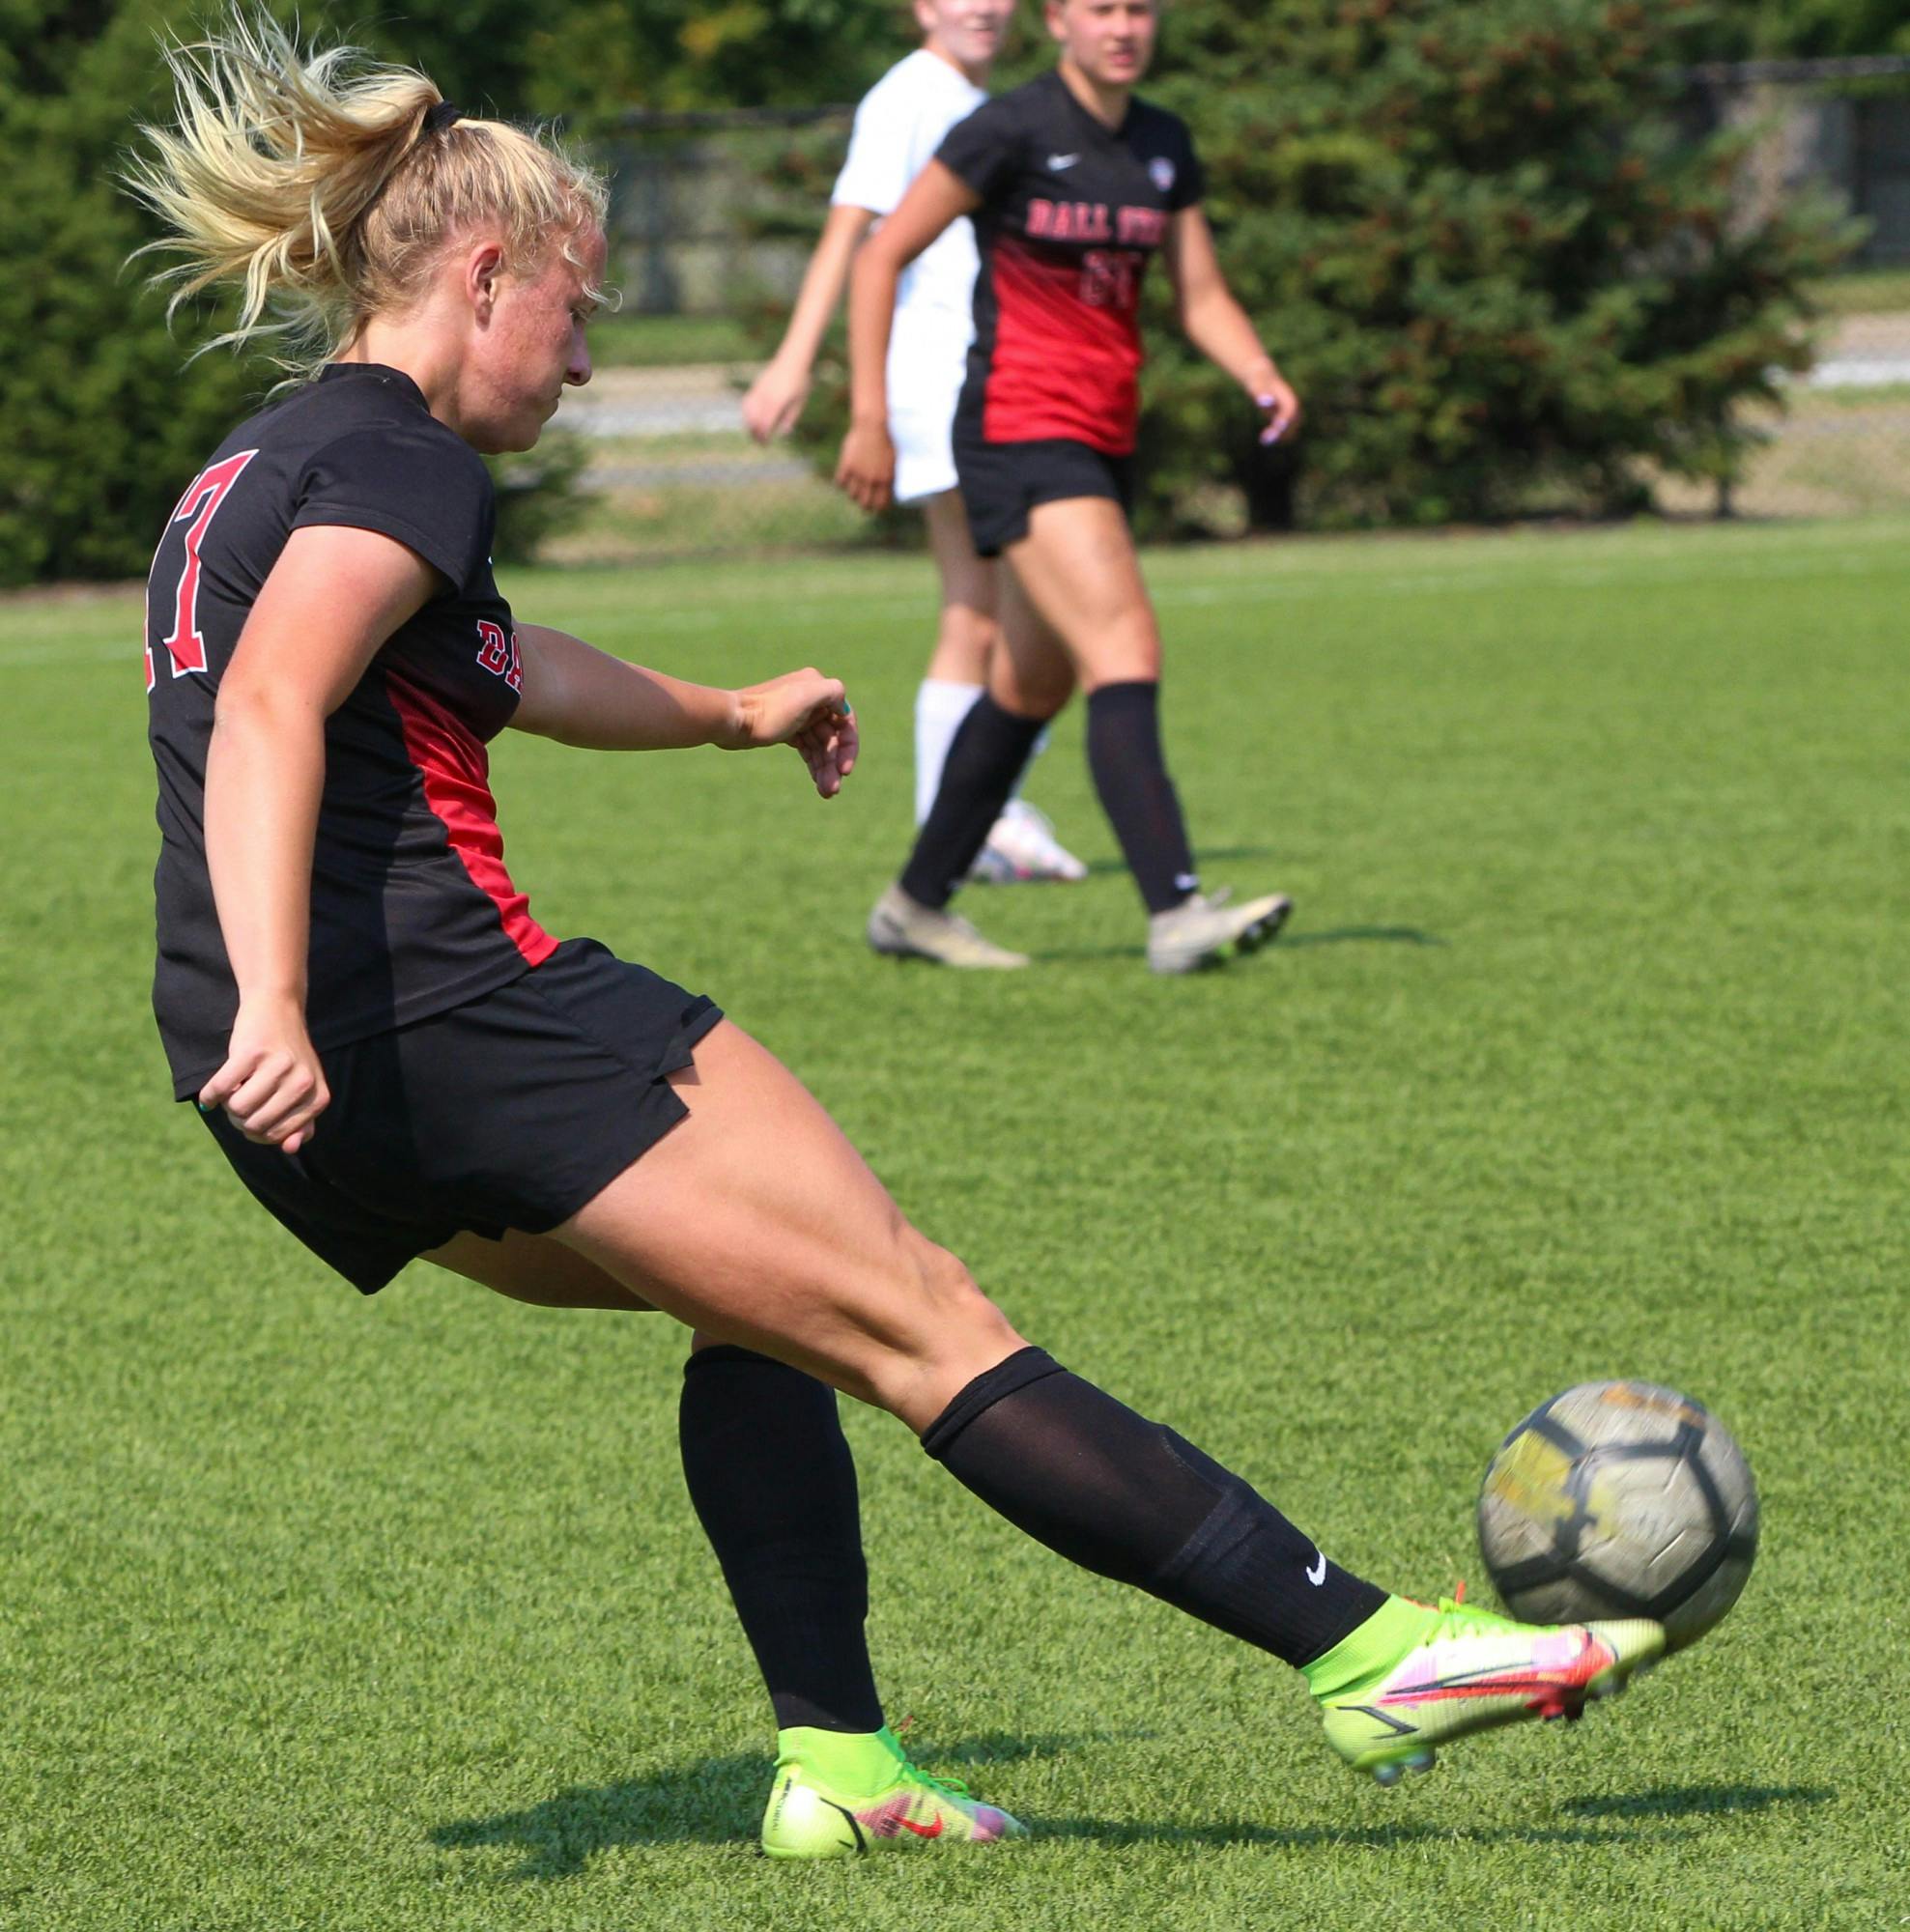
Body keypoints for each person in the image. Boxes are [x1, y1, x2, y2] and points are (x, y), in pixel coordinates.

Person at [129, 15, 1664, 1865]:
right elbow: (285, 701)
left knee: (755, 1311)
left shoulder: (267, 461)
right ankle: (1370, 1651)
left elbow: (477, 669)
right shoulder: (409, 468)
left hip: (272, 1075)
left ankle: (842, 1771)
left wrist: (722, 709)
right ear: (483, 274)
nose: (595, 354)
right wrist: (290, 987)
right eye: (580, 307)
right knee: (922, 1314)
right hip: (432, 1010)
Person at [839, 0, 1299, 973]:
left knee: (1031, 679)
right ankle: (1176, 911)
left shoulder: (1163, 143)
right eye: (1102, 9)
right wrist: (870, 415)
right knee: (1123, 643)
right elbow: (879, 253)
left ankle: (915, 906)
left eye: (1139, 9)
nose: (1124, 26)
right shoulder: (1010, 127)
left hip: (1101, 437)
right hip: (1018, 430)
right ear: (1058, 21)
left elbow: (1200, 290)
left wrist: (1258, 370)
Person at [743, 0, 1089, 897]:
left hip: (992, 380)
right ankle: (966, 821)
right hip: (945, 388)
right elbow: (848, 240)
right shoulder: (906, 98)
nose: (981, 6)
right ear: (919, 7)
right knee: (994, 614)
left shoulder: (977, 100)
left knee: (1005, 613)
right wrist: (798, 363)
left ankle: (977, 814)